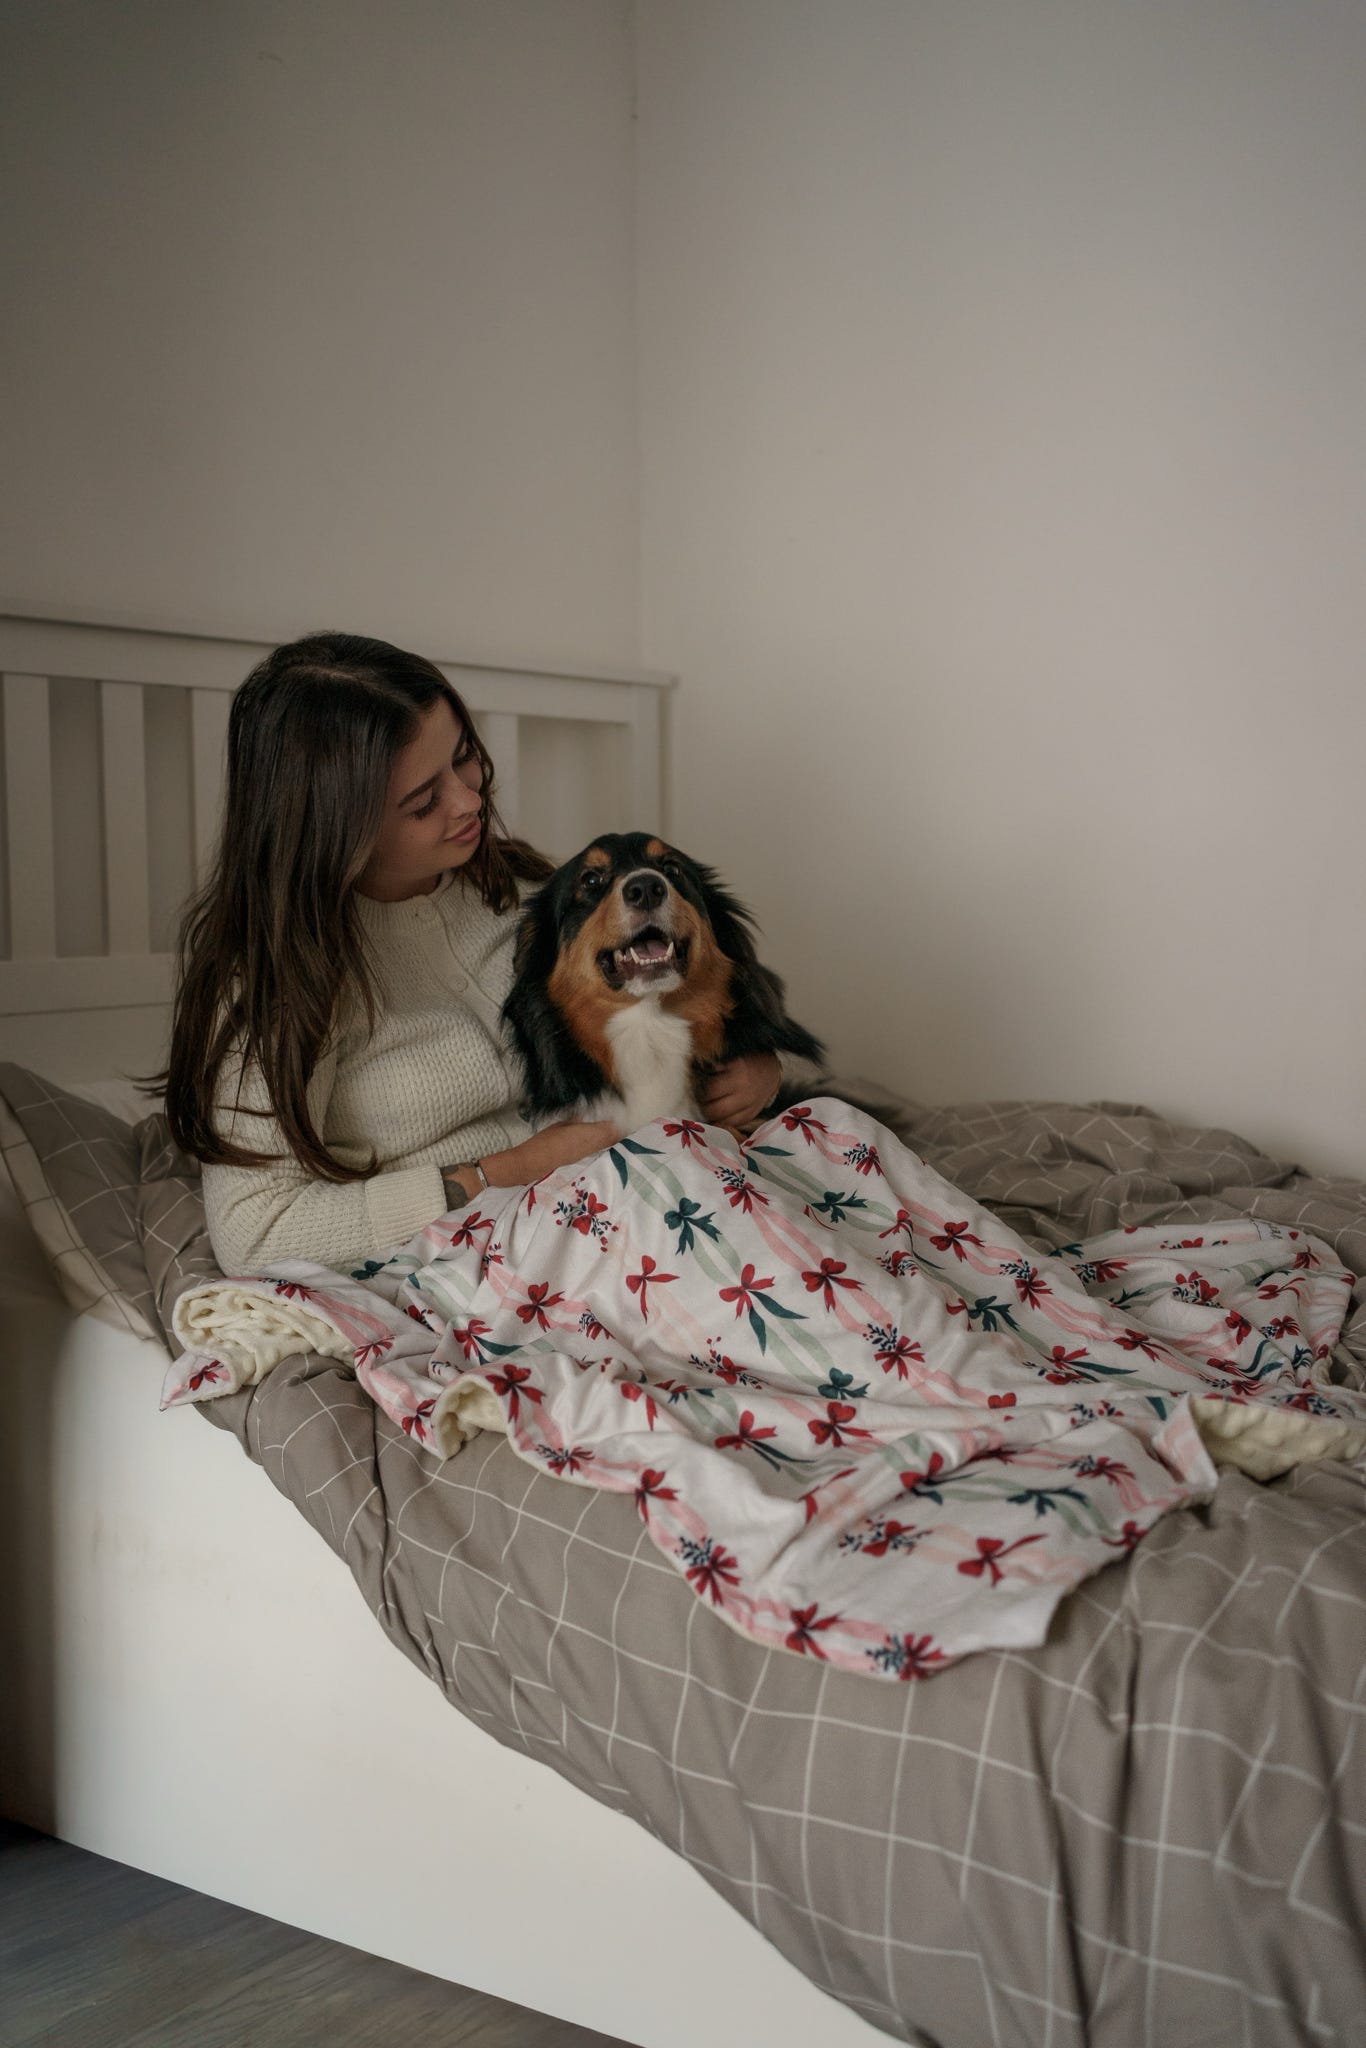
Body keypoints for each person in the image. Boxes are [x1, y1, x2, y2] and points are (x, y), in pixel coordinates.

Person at [164, 632, 784, 1277]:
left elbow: (683, 1002)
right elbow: (255, 1237)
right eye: (423, 801)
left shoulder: (528, 894)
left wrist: (756, 1069)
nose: (469, 802)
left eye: (464, 758)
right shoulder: (274, 987)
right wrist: (502, 1173)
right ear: (332, 827)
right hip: (471, 1258)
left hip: (629, 1196)